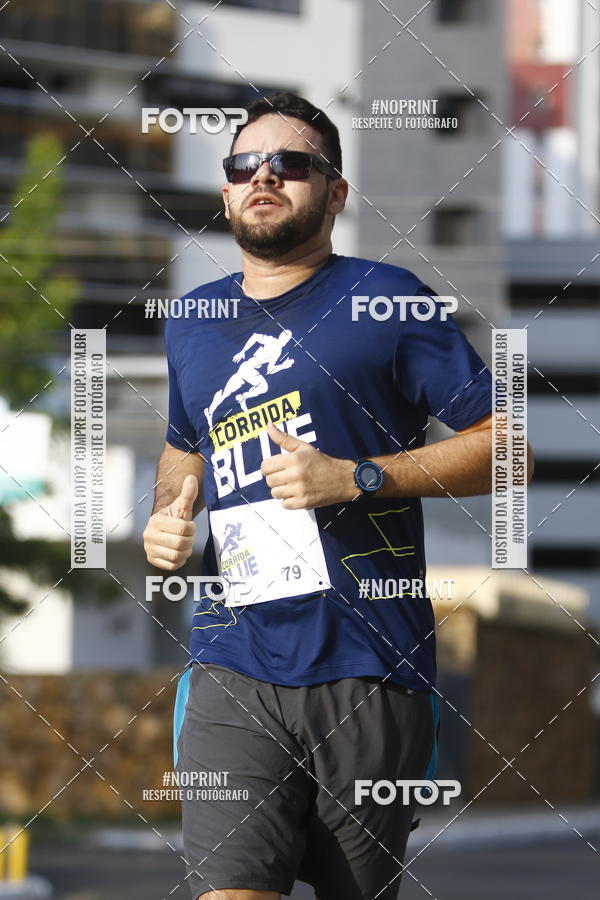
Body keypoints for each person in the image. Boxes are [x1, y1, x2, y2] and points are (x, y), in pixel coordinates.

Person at [143, 92, 533, 900]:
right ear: (224, 191)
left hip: (368, 662)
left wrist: (356, 478)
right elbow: (185, 450)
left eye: (292, 164)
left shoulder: (385, 302)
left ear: (336, 193)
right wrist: (167, 515)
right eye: (245, 165)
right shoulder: (193, 319)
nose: (264, 178)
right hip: (232, 654)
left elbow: (511, 450)